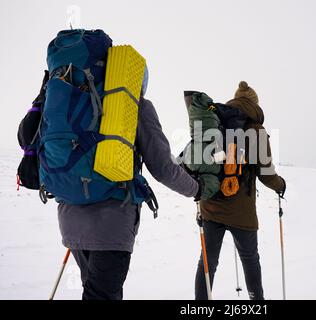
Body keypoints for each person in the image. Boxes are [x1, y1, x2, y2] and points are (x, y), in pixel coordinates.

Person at [58, 76, 209, 299]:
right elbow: (163, 167)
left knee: (93, 289)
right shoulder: (133, 104)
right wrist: (196, 189)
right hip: (110, 224)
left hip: (70, 217)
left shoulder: (73, 99)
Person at [195, 81, 286, 300]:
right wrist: (281, 185)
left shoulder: (215, 122)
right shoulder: (256, 130)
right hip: (241, 211)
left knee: (208, 261)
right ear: (254, 103)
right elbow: (266, 174)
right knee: (249, 258)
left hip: (211, 204)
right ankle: (256, 302)